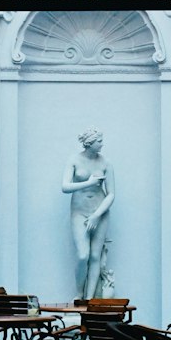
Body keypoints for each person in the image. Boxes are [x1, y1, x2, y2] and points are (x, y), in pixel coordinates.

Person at [62, 127, 115, 301]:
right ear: (90, 143)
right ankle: (79, 294)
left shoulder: (106, 162)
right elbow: (65, 187)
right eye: (99, 141)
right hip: (79, 211)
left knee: (95, 256)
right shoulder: (74, 160)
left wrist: (97, 214)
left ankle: (90, 299)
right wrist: (89, 182)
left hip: (100, 213)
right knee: (83, 254)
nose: (102, 144)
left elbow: (111, 194)